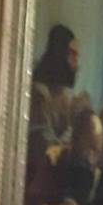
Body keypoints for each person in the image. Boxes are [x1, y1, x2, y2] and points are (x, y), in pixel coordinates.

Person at [28, 25, 79, 166]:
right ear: (60, 53)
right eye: (72, 54)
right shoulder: (39, 93)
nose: (76, 62)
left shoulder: (64, 95)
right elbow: (47, 147)